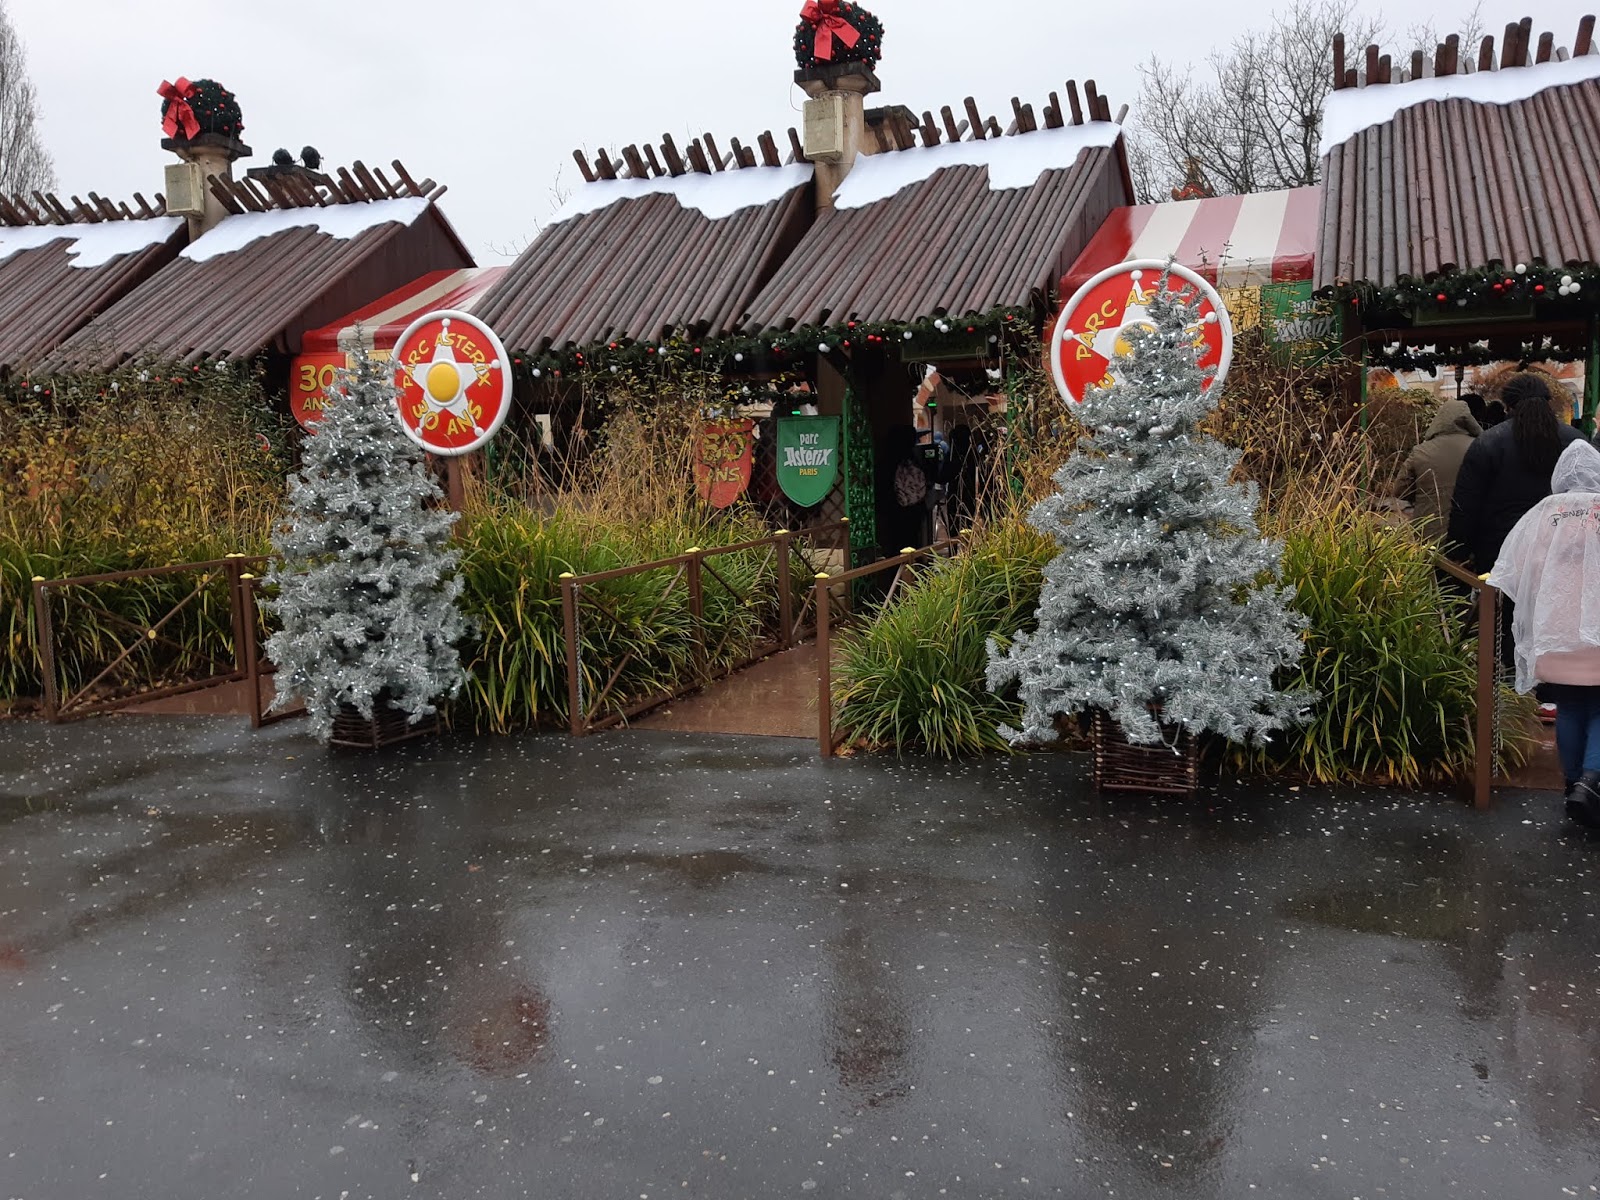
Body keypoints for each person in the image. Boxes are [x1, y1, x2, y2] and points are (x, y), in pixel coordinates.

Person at [1447, 374, 1583, 703]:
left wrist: (1458, 550)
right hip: (1561, 549)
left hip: (1500, 551)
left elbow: (1466, 503)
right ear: (1549, 402)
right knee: (1554, 616)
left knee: (1505, 619)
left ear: (1507, 405)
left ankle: (1510, 690)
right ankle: (1551, 690)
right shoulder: (1574, 441)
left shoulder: (1488, 443)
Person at [1487, 440, 1600, 823]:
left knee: (1569, 706)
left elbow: (1514, 568)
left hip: (1555, 632)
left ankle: (1572, 784)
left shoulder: (1543, 513)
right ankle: (1591, 782)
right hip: (1597, 631)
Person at [1393, 398, 1481, 536]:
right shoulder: (1480, 448)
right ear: (1469, 420)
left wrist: (1422, 496)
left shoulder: (1420, 451)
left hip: (1428, 529)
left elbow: (1400, 489)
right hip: (1469, 529)